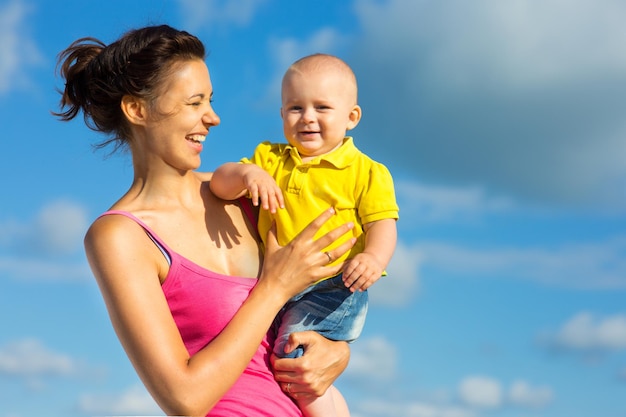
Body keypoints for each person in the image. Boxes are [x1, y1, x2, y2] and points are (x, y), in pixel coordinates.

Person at [54, 25, 358, 417]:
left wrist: (338, 351)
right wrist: (274, 287)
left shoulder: (245, 192)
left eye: (210, 101)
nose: (213, 118)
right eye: (194, 102)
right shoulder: (121, 236)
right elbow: (184, 399)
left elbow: (309, 306)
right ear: (137, 110)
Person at [210, 53, 399, 416]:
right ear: (282, 115)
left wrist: (373, 258)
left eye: (322, 107)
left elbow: (382, 225)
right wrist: (247, 176)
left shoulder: (366, 172)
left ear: (351, 117)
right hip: (278, 284)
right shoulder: (270, 159)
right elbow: (219, 183)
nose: (308, 117)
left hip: (333, 286)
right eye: (295, 108)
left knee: (293, 357)